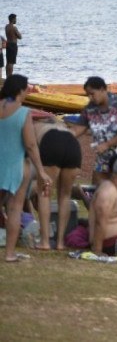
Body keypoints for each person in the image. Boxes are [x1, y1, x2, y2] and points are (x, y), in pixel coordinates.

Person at [0, 75, 51, 262]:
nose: (27, 93)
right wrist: (41, 170)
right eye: (26, 90)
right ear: (19, 91)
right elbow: (30, 145)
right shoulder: (23, 113)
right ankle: (10, 254)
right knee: (14, 209)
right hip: (16, 167)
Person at [71, 76, 117, 185]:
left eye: (92, 94)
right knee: (96, 188)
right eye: (88, 95)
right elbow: (79, 128)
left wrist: (107, 144)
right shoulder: (89, 109)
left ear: (103, 89)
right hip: (104, 154)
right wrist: (63, 136)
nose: (90, 97)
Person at [33, 118, 82, 250]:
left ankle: (45, 242)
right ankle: (60, 242)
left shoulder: (34, 125)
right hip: (73, 145)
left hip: (51, 142)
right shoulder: (61, 125)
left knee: (45, 193)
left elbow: (30, 149)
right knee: (65, 195)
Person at [4, 13, 21, 78]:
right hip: (13, 45)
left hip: (8, 44)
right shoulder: (14, 28)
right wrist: (18, 34)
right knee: (11, 62)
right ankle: (10, 77)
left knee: (8, 62)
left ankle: (7, 76)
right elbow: (20, 36)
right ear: (13, 19)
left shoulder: (6, 27)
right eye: (15, 19)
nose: (16, 20)